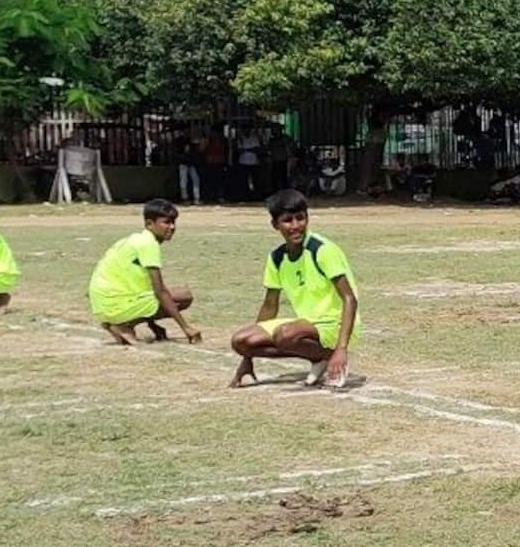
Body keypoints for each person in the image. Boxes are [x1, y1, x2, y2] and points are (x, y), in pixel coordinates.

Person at [227, 188, 361, 390]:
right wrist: (248, 358)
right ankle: (319, 357)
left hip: (335, 324)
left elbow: (349, 299)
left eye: (301, 218)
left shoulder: (322, 250)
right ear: (275, 225)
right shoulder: (277, 257)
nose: (296, 226)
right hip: (307, 325)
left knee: (285, 335)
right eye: (288, 220)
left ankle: (332, 355)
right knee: (242, 341)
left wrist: (342, 348)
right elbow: (270, 305)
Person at [88, 198, 200, 345]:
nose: (172, 227)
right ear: (149, 224)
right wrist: (187, 328)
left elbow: (143, 287)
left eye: (173, 222)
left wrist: (153, 325)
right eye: (166, 222)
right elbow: (159, 291)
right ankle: (123, 325)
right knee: (184, 296)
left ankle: (121, 323)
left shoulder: (135, 239)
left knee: (172, 296)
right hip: (115, 305)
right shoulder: (148, 245)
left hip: (103, 305)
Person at [173, 128, 202, 204]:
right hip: (184, 163)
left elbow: (195, 151)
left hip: (190, 163)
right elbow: (177, 152)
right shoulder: (180, 141)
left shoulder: (190, 141)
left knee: (195, 180)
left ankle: (195, 198)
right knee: (184, 181)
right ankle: (186, 198)